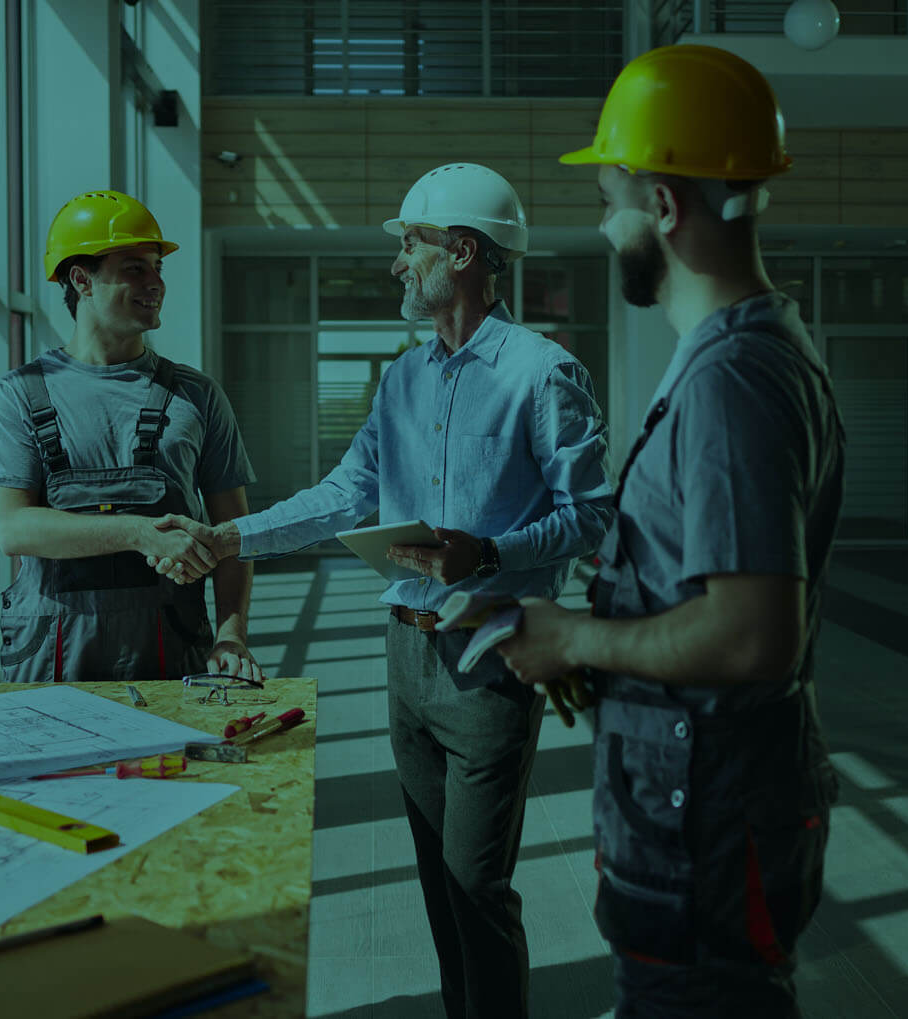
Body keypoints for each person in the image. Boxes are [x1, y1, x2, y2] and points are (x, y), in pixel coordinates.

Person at [152, 164, 614, 1019]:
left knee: (476, 883)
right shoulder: (401, 379)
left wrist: (491, 552)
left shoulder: (542, 374)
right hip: (404, 657)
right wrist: (227, 537)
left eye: (412, 243)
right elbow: (339, 496)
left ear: (463, 252)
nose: (400, 263)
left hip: (488, 655)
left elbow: (591, 516)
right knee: (439, 884)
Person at [495, 45, 845, 1018]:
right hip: (703, 820)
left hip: (709, 836)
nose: (605, 225)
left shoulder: (733, 378)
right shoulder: (744, 358)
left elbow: (749, 631)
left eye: (611, 200)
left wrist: (574, 637)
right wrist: (610, 655)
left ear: (661, 204)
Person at [0, 189, 262, 684]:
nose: (156, 283)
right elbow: (14, 530)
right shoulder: (20, 395)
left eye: (157, 268)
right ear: (81, 279)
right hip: (51, 664)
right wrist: (137, 532)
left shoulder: (196, 395)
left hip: (172, 656)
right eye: (135, 268)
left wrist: (231, 633)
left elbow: (233, 536)